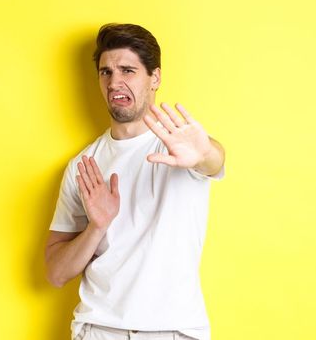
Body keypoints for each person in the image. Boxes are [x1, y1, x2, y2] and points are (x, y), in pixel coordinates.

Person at [44, 23, 226, 340]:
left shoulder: (180, 146)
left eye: (128, 70)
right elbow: (56, 273)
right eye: (106, 72)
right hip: (100, 329)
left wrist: (204, 152)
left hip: (174, 330)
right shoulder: (83, 166)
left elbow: (214, 160)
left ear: (154, 77)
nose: (115, 82)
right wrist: (95, 227)